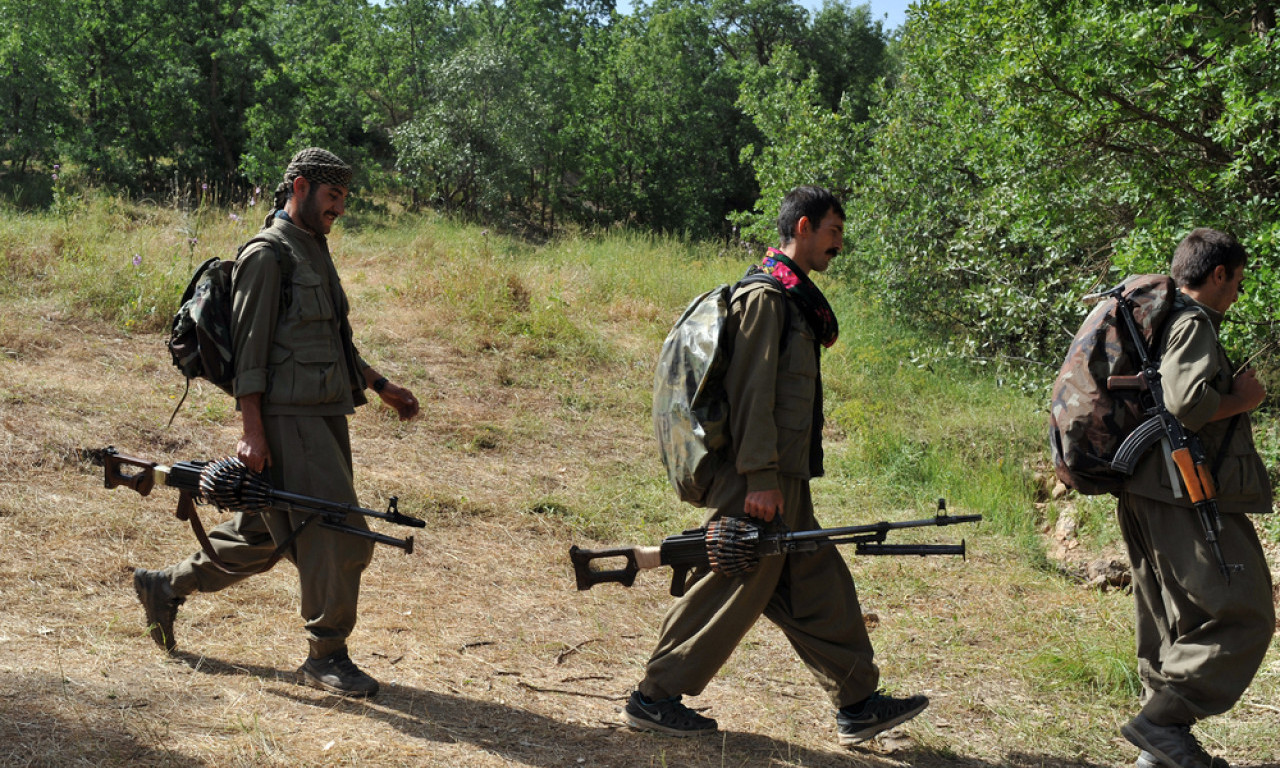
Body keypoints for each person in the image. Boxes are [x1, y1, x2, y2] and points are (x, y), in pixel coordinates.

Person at [623, 186, 929, 746]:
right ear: (805, 227)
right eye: (834, 231)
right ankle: (655, 696)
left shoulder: (794, 300)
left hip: (785, 477)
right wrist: (760, 478)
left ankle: (858, 702)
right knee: (732, 577)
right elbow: (752, 394)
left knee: (819, 585)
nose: (840, 244)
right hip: (756, 477)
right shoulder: (766, 298)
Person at [132, 147, 420, 698]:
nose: (339, 209)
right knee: (338, 532)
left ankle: (165, 587)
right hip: (290, 420)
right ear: (302, 187)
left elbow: (335, 340)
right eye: (332, 197)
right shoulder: (267, 255)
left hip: (327, 413)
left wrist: (380, 386)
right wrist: (253, 431)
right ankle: (326, 656)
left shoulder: (313, 247)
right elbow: (250, 354)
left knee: (267, 531)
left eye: (343, 199)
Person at [1116, 228, 1275, 768]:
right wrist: (1243, 398)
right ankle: (1160, 722)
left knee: (1170, 620)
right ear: (1217, 274)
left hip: (1146, 486)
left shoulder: (1158, 320)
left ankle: (1160, 753)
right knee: (1245, 611)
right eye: (1236, 281)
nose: (1237, 293)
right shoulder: (1192, 321)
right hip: (1183, 490)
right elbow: (1187, 403)